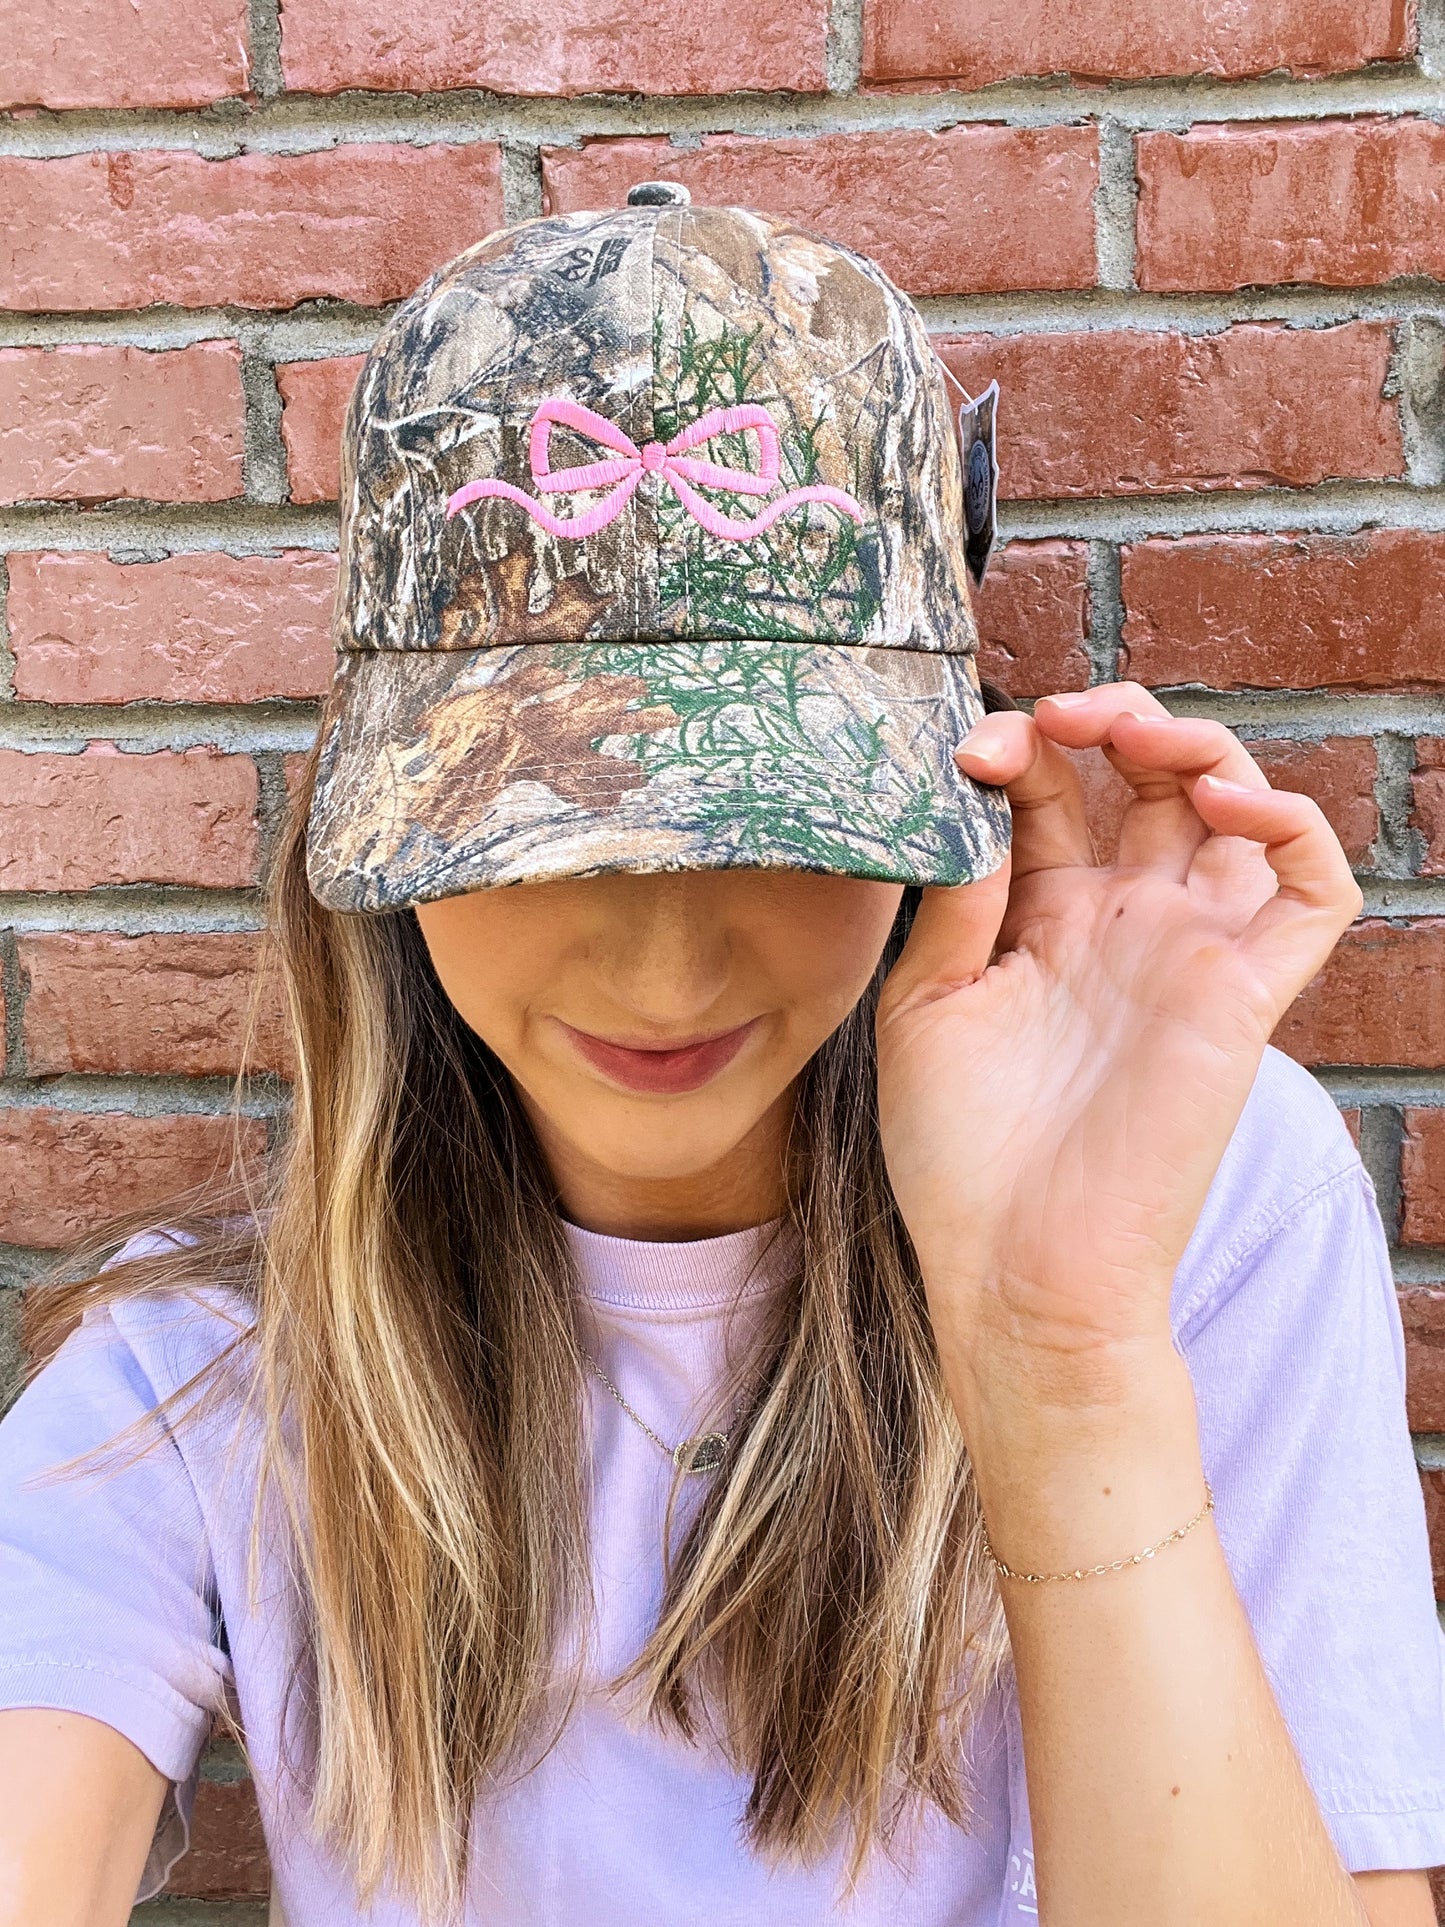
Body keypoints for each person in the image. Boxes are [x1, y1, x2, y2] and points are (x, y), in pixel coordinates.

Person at [0, 183, 1441, 1927]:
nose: (667, 963)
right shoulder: (205, 1371)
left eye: (777, 820)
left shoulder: (1192, 1194)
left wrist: (1064, 1363)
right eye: (540, 819)